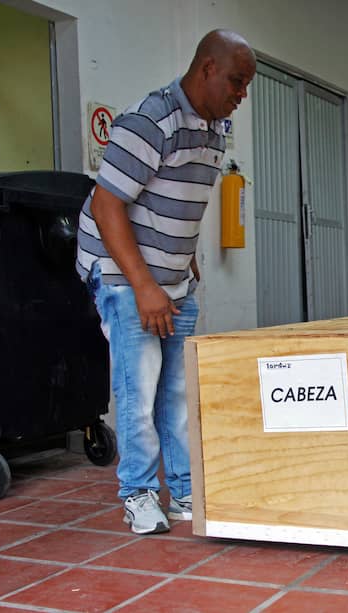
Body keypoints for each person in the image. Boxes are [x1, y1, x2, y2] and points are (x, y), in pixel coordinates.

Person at [75, 30, 256, 534]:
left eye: (246, 87)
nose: (241, 94)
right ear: (207, 70)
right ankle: (137, 493)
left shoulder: (217, 128)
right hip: (121, 274)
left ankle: (182, 490)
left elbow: (179, 198)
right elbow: (108, 205)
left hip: (172, 277)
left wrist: (186, 255)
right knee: (140, 388)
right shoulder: (150, 121)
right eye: (237, 83)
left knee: (177, 391)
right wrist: (144, 286)